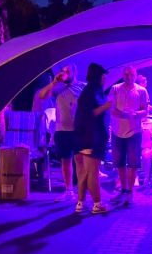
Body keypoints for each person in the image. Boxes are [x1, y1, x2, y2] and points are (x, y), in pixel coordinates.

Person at [38, 64, 83, 201]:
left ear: (75, 72)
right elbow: (42, 96)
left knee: (80, 161)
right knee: (65, 161)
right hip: (61, 130)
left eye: (68, 72)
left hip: (78, 130)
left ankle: (82, 192)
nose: (65, 74)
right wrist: (54, 82)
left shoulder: (83, 87)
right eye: (63, 71)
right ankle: (69, 192)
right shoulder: (58, 88)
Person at [73, 63, 112, 214]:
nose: (104, 79)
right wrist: (107, 106)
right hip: (90, 138)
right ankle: (97, 204)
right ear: (97, 77)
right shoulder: (90, 92)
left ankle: (80, 203)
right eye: (102, 76)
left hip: (85, 137)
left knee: (84, 172)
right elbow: (90, 113)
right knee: (92, 173)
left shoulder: (92, 91)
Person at [109, 66, 149, 205]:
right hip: (117, 131)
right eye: (126, 74)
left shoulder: (141, 90)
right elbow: (110, 108)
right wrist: (123, 114)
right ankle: (123, 190)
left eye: (132, 74)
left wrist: (135, 114)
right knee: (119, 163)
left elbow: (145, 111)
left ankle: (130, 193)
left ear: (135, 75)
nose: (129, 77)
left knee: (133, 163)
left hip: (134, 132)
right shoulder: (115, 88)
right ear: (123, 75)